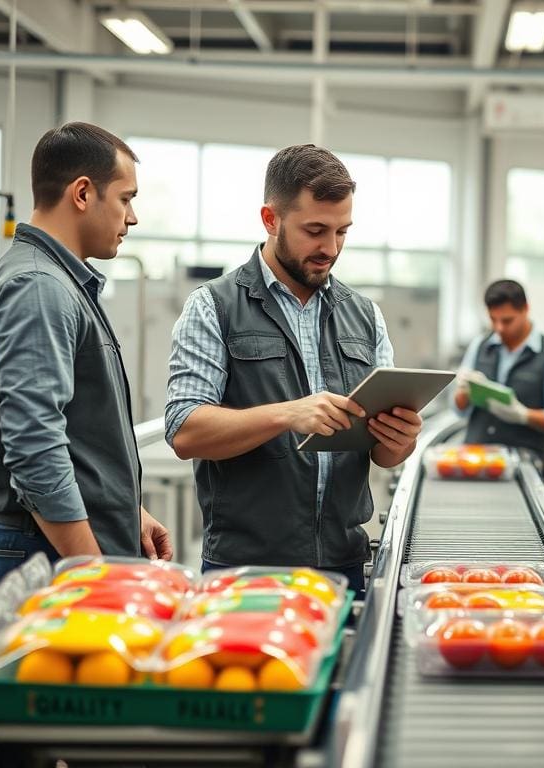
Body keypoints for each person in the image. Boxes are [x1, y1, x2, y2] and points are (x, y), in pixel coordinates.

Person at [165, 144, 421, 596]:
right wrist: (287, 414)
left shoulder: (365, 316)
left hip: (344, 564)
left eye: (342, 231)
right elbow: (186, 432)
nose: (331, 248)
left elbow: (384, 455)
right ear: (271, 220)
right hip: (244, 572)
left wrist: (400, 440)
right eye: (315, 230)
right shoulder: (213, 308)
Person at [0, 122, 172, 590]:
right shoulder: (39, 288)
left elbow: (77, 434)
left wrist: (124, 511)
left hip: (58, 546)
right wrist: (93, 571)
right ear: (82, 193)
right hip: (48, 557)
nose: (133, 217)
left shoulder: (57, 283)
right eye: (126, 198)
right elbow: (35, 446)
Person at [453, 279, 544, 458]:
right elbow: (458, 409)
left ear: (525, 309)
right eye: (493, 320)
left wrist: (524, 415)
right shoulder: (480, 345)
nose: (499, 328)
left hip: (524, 460)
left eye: (507, 321)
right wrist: (463, 391)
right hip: (476, 456)